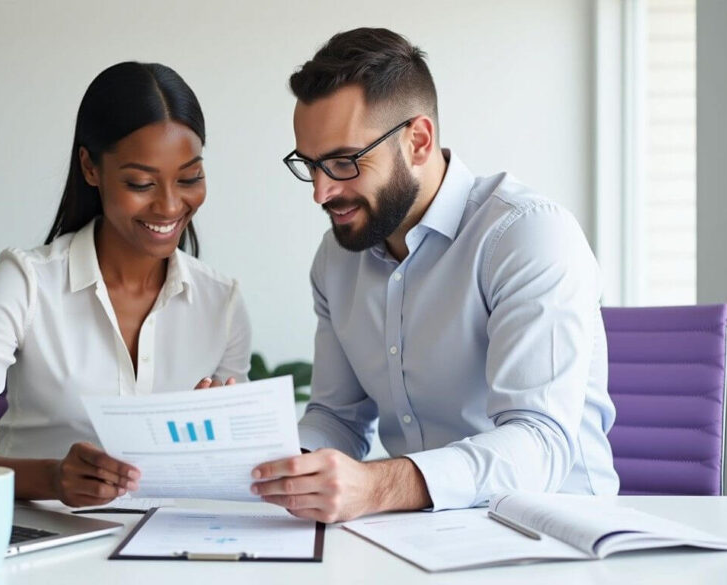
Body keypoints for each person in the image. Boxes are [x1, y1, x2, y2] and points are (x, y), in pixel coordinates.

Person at [251, 28, 619, 523]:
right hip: (419, 534)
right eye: (310, 164)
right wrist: (269, 458)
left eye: (343, 162)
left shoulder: (526, 235)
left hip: (553, 534)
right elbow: (337, 419)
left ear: (418, 141)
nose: (320, 193)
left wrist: (379, 486)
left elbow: (540, 442)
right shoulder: (337, 260)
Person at [0, 62, 251, 508]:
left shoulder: (222, 302)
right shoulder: (26, 281)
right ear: (89, 168)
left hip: (169, 546)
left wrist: (214, 437)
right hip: (38, 544)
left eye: (190, 178)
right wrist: (52, 478)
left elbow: (239, 473)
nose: (171, 205)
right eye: (141, 182)